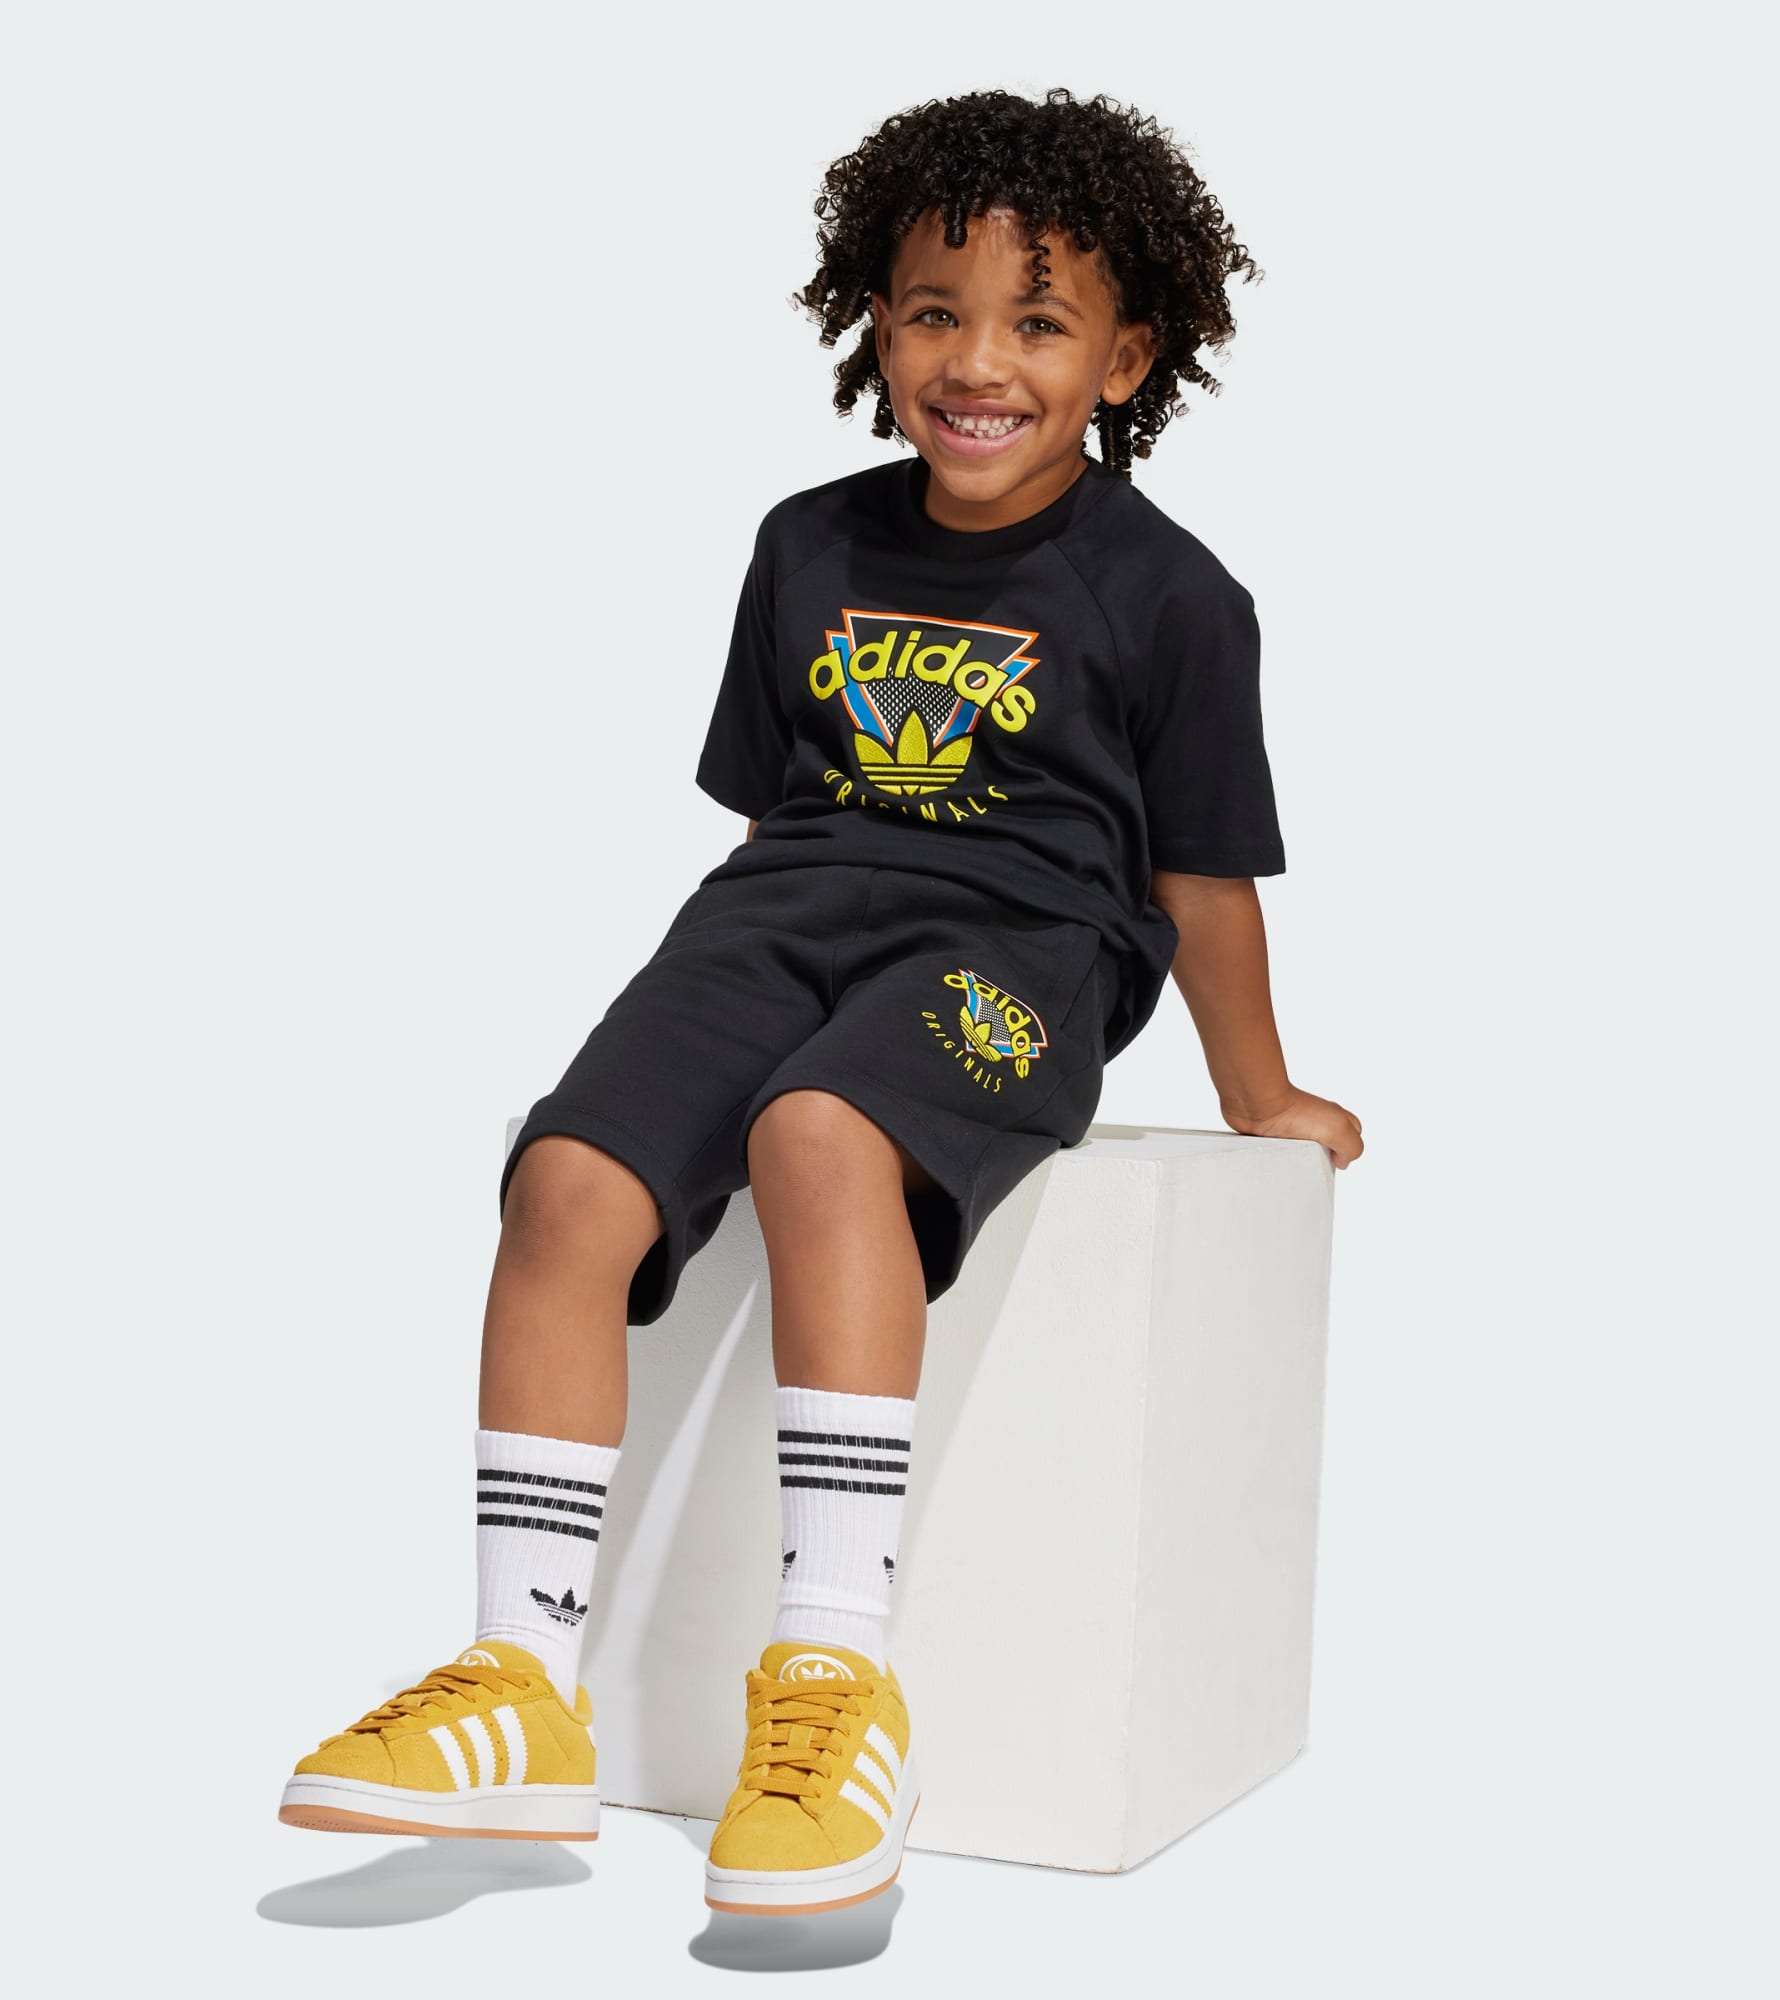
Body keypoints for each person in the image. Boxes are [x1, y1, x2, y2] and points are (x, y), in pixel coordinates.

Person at [276, 85, 1364, 1916]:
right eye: (935, 312)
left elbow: (1199, 879)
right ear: (875, 321)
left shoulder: (1175, 596)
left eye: (1038, 323)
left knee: (819, 1130)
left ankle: (836, 1676)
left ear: (1124, 358)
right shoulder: (805, 546)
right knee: (566, 1177)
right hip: (779, 919)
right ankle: (519, 1680)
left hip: (1025, 950)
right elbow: (777, 816)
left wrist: (1261, 1095)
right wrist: (726, 1011)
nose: (977, 363)